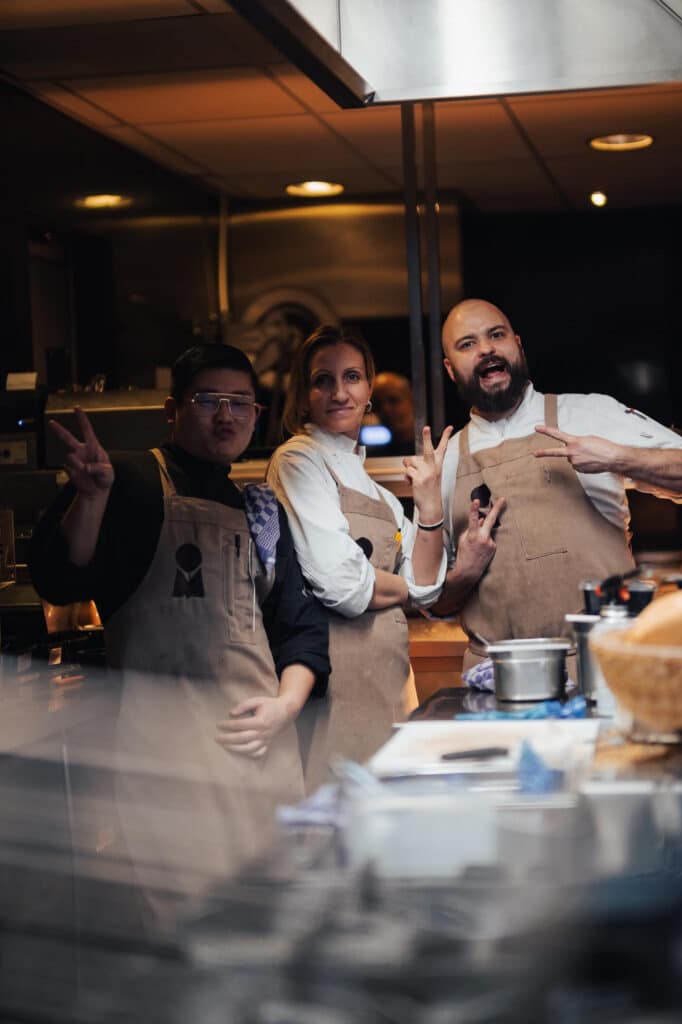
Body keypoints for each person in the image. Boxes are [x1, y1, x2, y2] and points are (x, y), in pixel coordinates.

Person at [30, 343, 329, 926]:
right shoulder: (130, 481)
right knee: (194, 937)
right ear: (173, 410)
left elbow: (300, 629)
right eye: (207, 401)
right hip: (169, 766)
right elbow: (60, 579)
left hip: (262, 759)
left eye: (239, 403)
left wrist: (285, 708)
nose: (225, 416)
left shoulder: (260, 508)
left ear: (256, 412)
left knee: (276, 928)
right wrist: (90, 500)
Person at [433, 297, 682, 668]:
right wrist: (463, 573)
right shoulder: (445, 462)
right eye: (467, 344)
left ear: (517, 344)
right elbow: (435, 602)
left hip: (605, 665)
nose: (486, 349)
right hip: (496, 679)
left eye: (496, 335)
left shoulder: (589, 413)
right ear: (451, 370)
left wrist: (618, 458)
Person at [267, 324, 450, 788]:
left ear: (369, 389)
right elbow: (344, 586)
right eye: (321, 379)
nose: (338, 392)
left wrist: (428, 502)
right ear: (303, 395)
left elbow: (430, 586)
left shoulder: (377, 493)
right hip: (335, 692)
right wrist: (404, 588)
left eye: (351, 377)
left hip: (389, 686)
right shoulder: (298, 461)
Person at [370, 371, 415, 451]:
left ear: (411, 400)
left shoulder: (437, 445)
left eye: (393, 400)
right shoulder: (375, 455)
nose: (385, 410)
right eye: (378, 404)